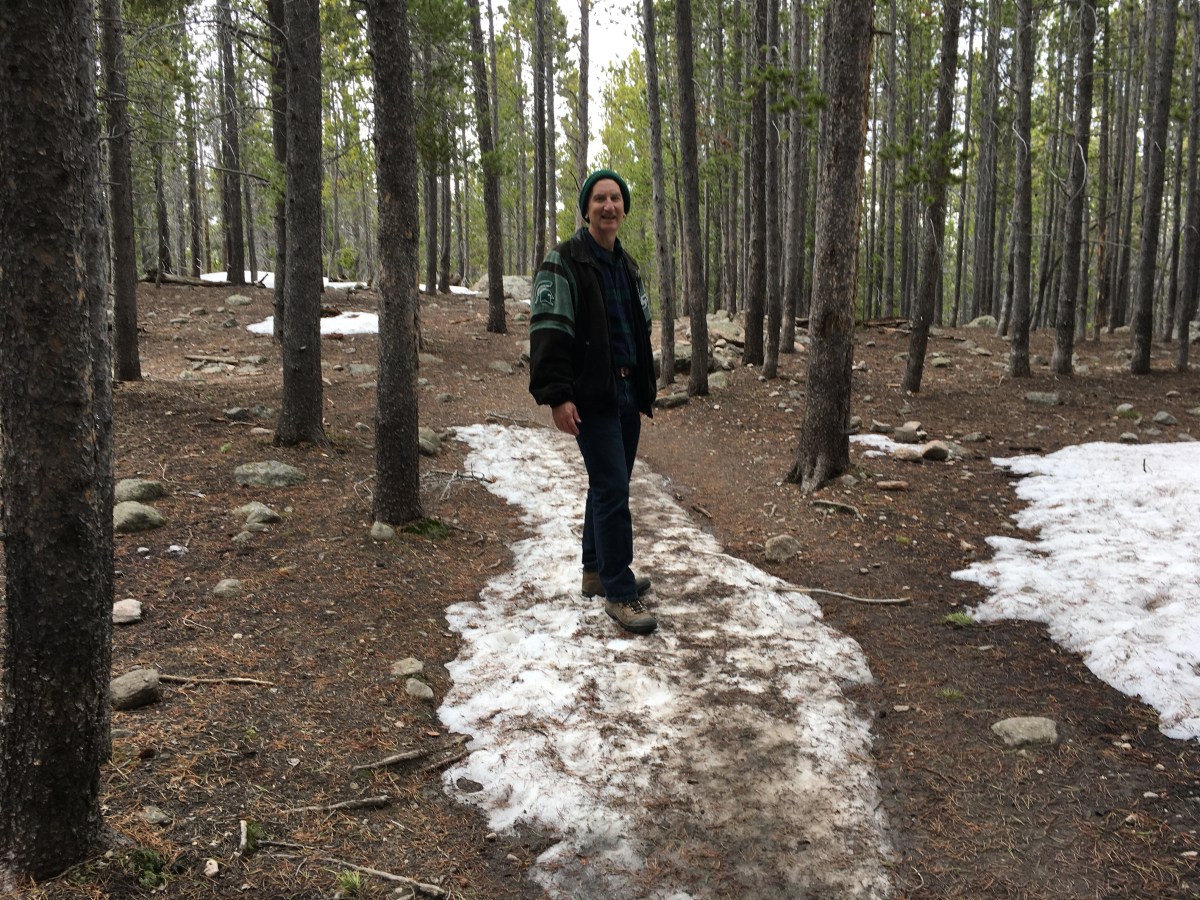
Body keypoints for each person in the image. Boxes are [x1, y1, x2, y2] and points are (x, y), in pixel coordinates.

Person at [528, 169, 659, 635]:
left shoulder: (628, 266)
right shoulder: (564, 261)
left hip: (625, 392)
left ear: (623, 209)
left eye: (615, 198)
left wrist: (644, 385)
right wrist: (558, 396)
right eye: (600, 198)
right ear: (586, 209)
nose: (608, 206)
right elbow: (548, 329)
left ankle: (595, 571)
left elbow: (642, 329)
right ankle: (620, 592)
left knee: (608, 484)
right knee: (611, 489)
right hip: (591, 395)